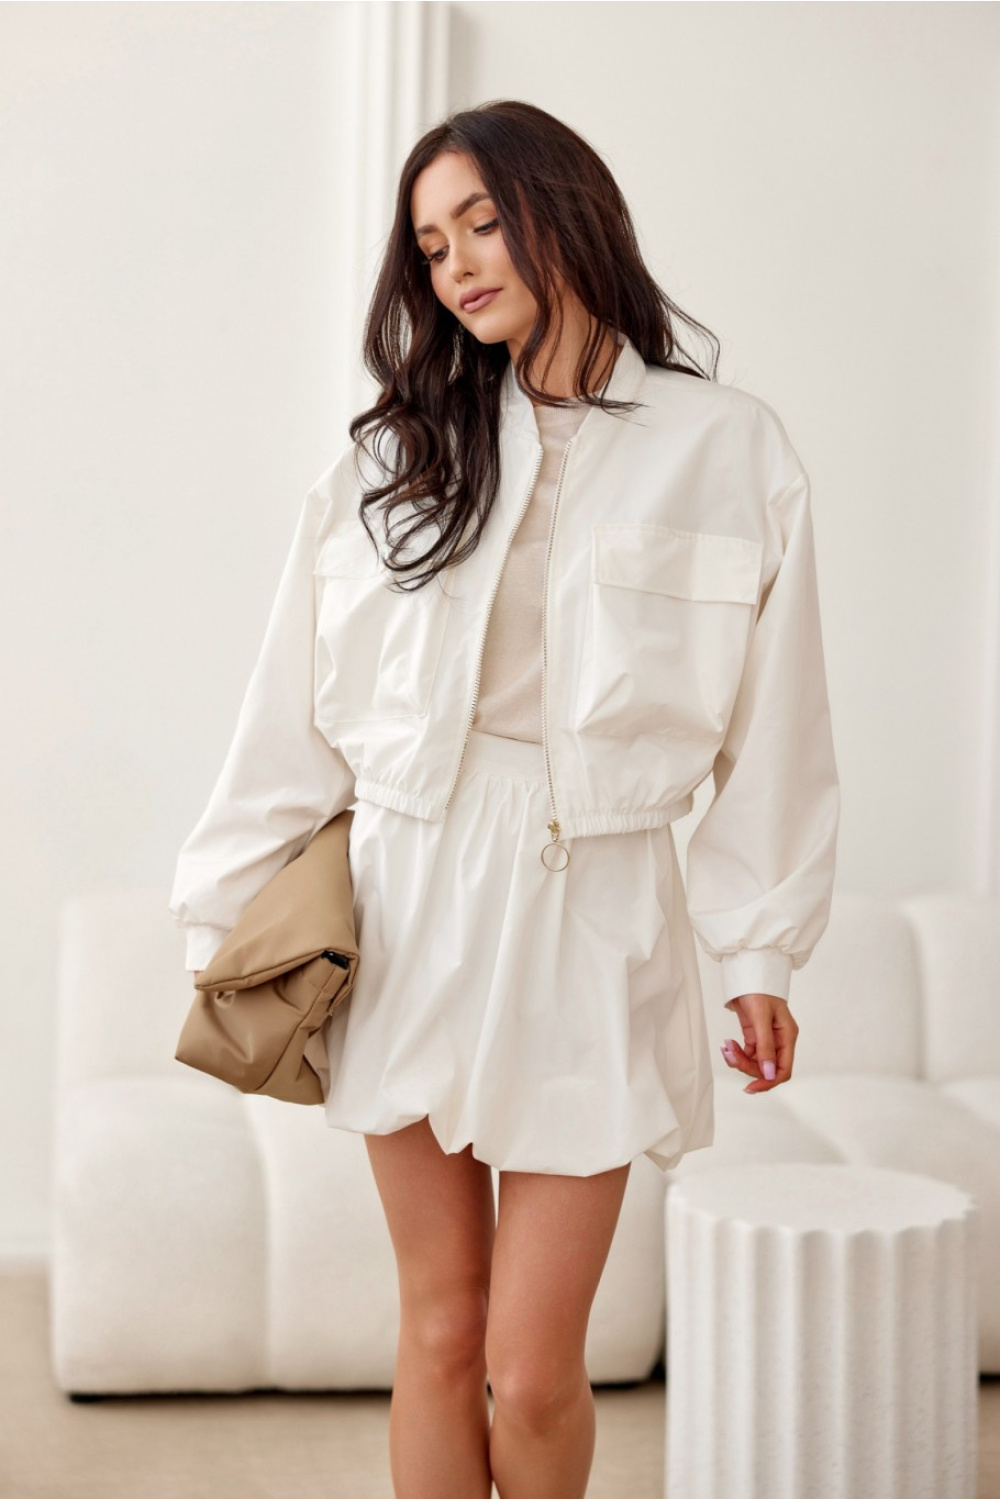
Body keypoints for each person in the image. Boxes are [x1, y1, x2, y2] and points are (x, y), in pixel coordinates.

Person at [170, 100, 840, 1500]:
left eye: (482, 222)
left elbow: (778, 727)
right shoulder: (391, 458)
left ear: (566, 209)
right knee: (441, 1329)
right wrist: (222, 921)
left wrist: (760, 953)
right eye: (431, 244)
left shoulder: (731, 448)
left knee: (533, 1368)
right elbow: (291, 709)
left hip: (598, 911)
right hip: (412, 896)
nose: (458, 263)